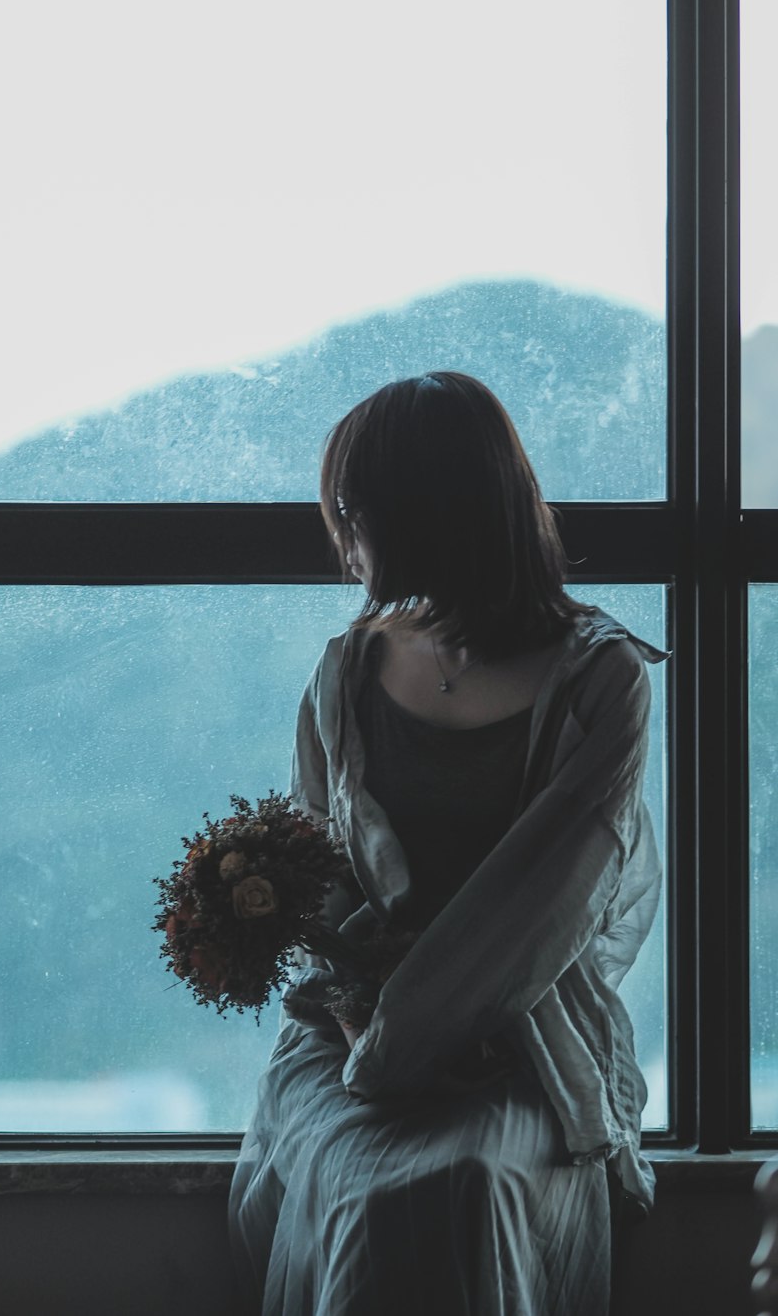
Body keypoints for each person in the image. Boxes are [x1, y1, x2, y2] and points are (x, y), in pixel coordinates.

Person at [228, 371, 666, 1316]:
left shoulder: (601, 682)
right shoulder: (348, 671)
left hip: (522, 1037)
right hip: (345, 1036)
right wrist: (360, 1019)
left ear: (425, 510)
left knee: (461, 1188)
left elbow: (539, 910)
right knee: (370, 1194)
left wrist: (405, 1041)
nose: (343, 530)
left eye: (357, 505)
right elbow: (324, 884)